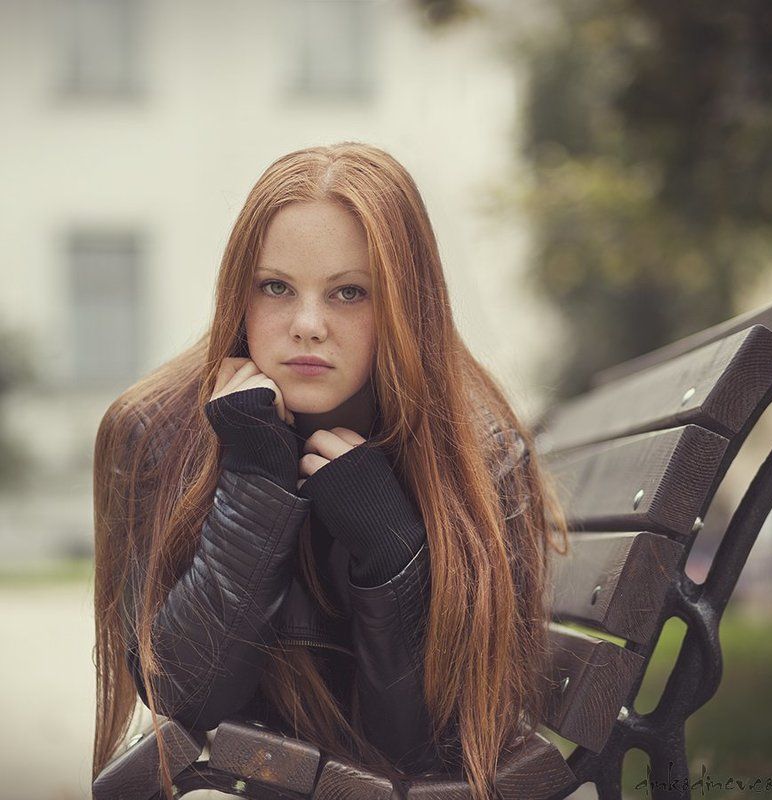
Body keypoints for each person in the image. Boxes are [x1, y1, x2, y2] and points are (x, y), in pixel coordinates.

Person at [91, 141, 569, 800]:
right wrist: (255, 485)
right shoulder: (156, 432)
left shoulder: (478, 456)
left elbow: (437, 751)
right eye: (276, 287)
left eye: (349, 292)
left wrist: (395, 553)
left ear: (406, 305)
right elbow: (185, 699)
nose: (308, 325)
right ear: (240, 294)